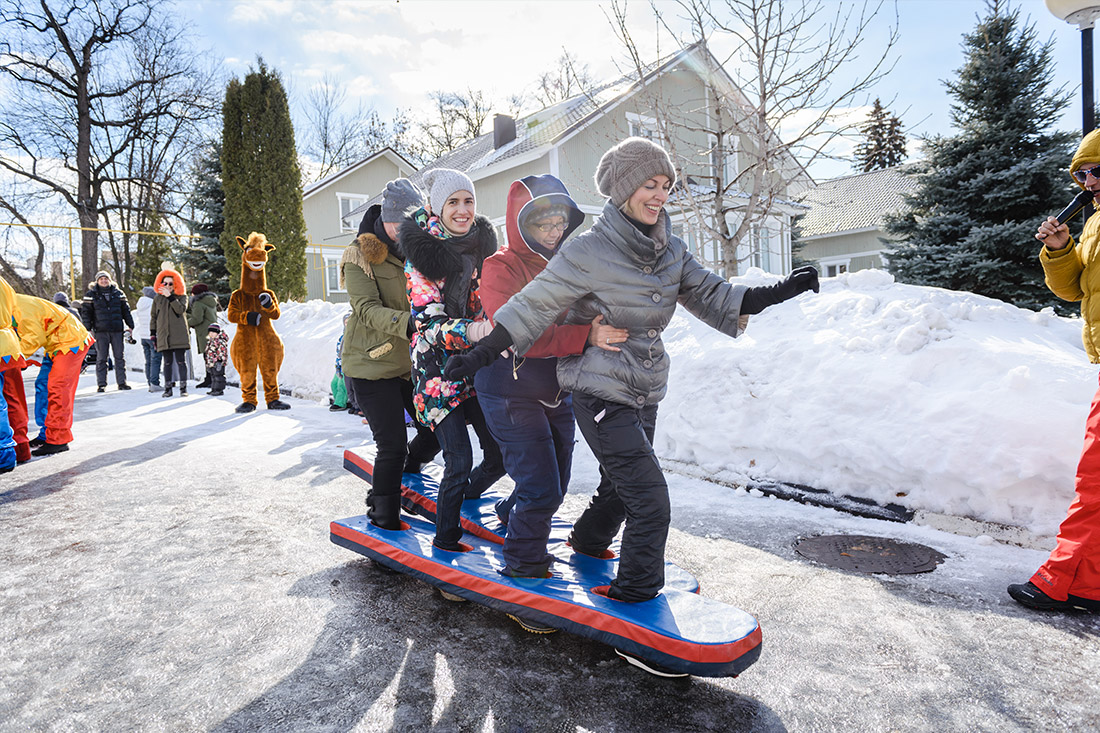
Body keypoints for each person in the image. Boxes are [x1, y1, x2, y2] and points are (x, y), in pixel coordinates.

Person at [446, 137, 819, 605]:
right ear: (625, 189)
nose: (661, 194)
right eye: (650, 184)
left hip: (644, 388)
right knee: (650, 500)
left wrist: (782, 290)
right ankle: (634, 595)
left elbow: (716, 296)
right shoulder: (587, 250)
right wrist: (481, 355)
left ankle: (586, 541)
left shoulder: (670, 251)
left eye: (666, 185)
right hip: (597, 390)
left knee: (622, 491)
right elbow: (532, 307)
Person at [476, 174, 628, 582]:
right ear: (521, 224)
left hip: (555, 391)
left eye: (560, 223)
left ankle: (512, 514)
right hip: (508, 391)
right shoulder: (499, 267)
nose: (554, 232)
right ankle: (524, 565)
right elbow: (520, 332)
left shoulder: (568, 266)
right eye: (544, 224)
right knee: (541, 487)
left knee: (555, 486)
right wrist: (586, 336)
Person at [1013, 129, 1100, 613]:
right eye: (1081, 174)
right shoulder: (1093, 225)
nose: (1088, 182)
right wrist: (1062, 248)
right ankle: (1087, 585)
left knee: (1097, 480)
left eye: (1098, 171)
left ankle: (1060, 582)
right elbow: (1075, 292)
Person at [402, 168, 505, 551]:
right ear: (436, 207)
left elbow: (495, 298)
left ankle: (461, 501)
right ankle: (446, 542)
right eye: (453, 202)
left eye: (468, 201)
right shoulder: (421, 259)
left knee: (499, 455)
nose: (462, 210)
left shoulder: (484, 247)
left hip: (475, 365)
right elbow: (427, 322)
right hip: (436, 371)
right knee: (458, 459)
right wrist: (477, 331)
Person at [341, 177, 440, 530]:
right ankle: (382, 515)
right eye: (396, 221)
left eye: (410, 220)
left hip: (407, 365)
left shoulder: (421, 250)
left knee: (436, 428)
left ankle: (407, 475)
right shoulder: (360, 255)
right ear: (384, 217)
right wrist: (412, 323)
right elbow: (366, 308)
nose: (402, 229)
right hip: (369, 363)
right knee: (392, 445)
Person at [11, 284, 92, 456]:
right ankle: (46, 434)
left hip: (71, 340)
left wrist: (16, 357)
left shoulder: (19, 307)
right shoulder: (9, 307)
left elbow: (34, 336)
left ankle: (59, 439)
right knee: (43, 384)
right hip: (54, 343)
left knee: (58, 388)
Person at [80, 270, 134, 392]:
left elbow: (126, 310)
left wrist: (130, 326)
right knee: (101, 358)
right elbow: (86, 313)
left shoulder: (118, 293)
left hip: (116, 330)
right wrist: (88, 329)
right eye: (101, 279)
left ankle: (122, 382)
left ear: (110, 280)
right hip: (100, 331)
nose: (104, 281)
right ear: (97, 281)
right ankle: (102, 384)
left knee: (119, 357)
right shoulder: (91, 294)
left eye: (106, 279)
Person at [1, 276, 29, 472]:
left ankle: (5, 453)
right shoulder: (4, 283)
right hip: (9, 345)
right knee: (12, 397)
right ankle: (17, 449)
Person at [150, 268, 191, 398]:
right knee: (167, 362)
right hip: (164, 335)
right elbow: (153, 317)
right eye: (165, 283)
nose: (167, 286)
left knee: (180, 361)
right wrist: (153, 333)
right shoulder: (157, 299)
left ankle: (183, 388)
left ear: (176, 284)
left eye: (170, 284)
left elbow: (180, 310)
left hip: (179, 334)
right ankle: (168, 388)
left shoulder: (182, 297)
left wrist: (170, 297)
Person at [187, 283, 218, 388]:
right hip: (213, 331)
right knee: (212, 356)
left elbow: (197, 319)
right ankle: (212, 378)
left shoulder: (198, 303)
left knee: (207, 357)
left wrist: (186, 321)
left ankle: (209, 379)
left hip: (204, 333)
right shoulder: (211, 301)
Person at [134, 285, 162, 392]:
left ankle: (150, 382)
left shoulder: (140, 304)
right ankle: (154, 383)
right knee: (155, 360)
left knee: (148, 360)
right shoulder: (153, 304)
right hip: (153, 336)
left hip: (143, 336)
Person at [204, 323, 229, 397]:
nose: (211, 334)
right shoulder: (211, 341)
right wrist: (208, 363)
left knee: (219, 376)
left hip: (218, 362)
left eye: (213, 332)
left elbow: (222, 351)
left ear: (217, 332)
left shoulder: (220, 341)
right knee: (213, 376)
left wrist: (220, 361)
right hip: (212, 362)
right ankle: (214, 389)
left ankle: (219, 390)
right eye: (210, 332)